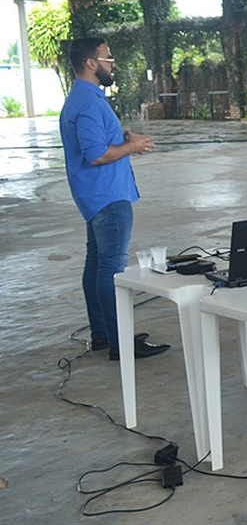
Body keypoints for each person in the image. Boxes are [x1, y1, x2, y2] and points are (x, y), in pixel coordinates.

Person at [60, 37, 169, 361]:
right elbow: (95, 154)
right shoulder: (90, 103)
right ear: (91, 63)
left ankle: (104, 334)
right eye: (108, 59)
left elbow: (95, 141)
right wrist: (131, 148)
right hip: (107, 196)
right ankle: (120, 342)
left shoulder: (83, 98)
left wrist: (123, 138)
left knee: (96, 263)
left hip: (96, 196)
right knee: (110, 268)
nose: (112, 65)